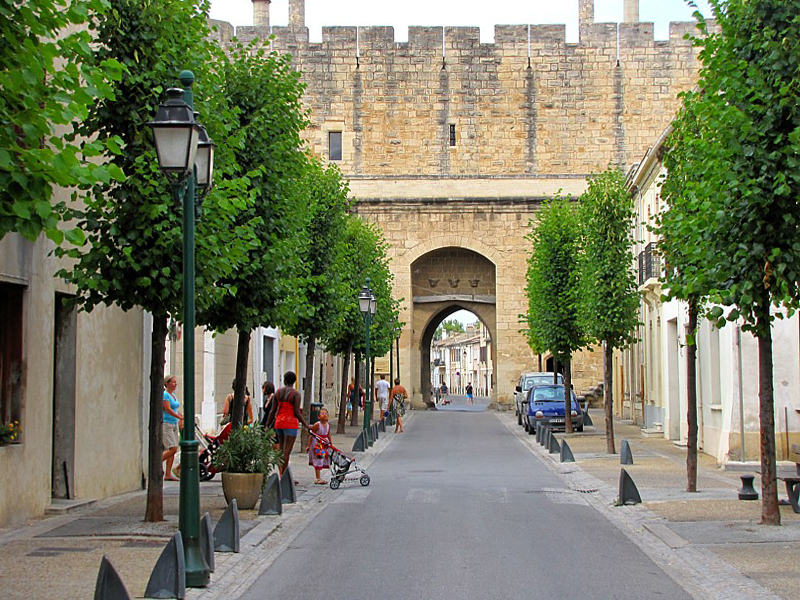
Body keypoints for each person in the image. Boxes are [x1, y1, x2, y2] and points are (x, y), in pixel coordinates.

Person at [267, 371, 311, 477]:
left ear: (284, 380)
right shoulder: (296, 394)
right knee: (287, 451)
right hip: (290, 423)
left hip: (279, 423)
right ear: (294, 381)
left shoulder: (278, 393)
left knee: (281, 450)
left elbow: (273, 411)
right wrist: (306, 425)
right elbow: (296, 412)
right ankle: (284, 476)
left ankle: (283, 473)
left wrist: (267, 425)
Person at [162, 375, 184, 481]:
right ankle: (156, 463)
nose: (175, 384)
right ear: (167, 383)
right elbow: (168, 409)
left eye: (176, 383)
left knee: (173, 449)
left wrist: (181, 416)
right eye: (173, 382)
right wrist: (179, 417)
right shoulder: (165, 395)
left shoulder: (173, 395)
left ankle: (168, 473)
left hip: (174, 423)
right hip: (167, 423)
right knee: (172, 448)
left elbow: (174, 409)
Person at [308, 407, 332, 485]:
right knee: (318, 458)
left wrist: (330, 443)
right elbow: (312, 435)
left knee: (323, 458)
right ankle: (318, 478)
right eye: (322, 413)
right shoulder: (317, 425)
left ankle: (319, 477)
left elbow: (328, 435)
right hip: (317, 444)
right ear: (318, 417)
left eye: (326, 414)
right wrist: (309, 445)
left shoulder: (328, 425)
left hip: (324, 443)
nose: (324, 415)